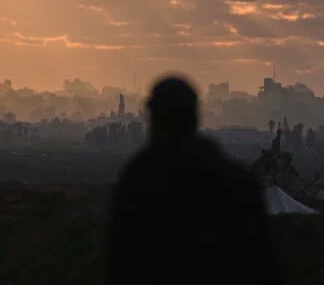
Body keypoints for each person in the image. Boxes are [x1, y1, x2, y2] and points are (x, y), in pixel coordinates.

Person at [108, 76, 284, 284]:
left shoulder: (139, 180)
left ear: (154, 119)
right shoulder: (235, 179)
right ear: (194, 117)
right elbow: (263, 261)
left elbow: (123, 260)